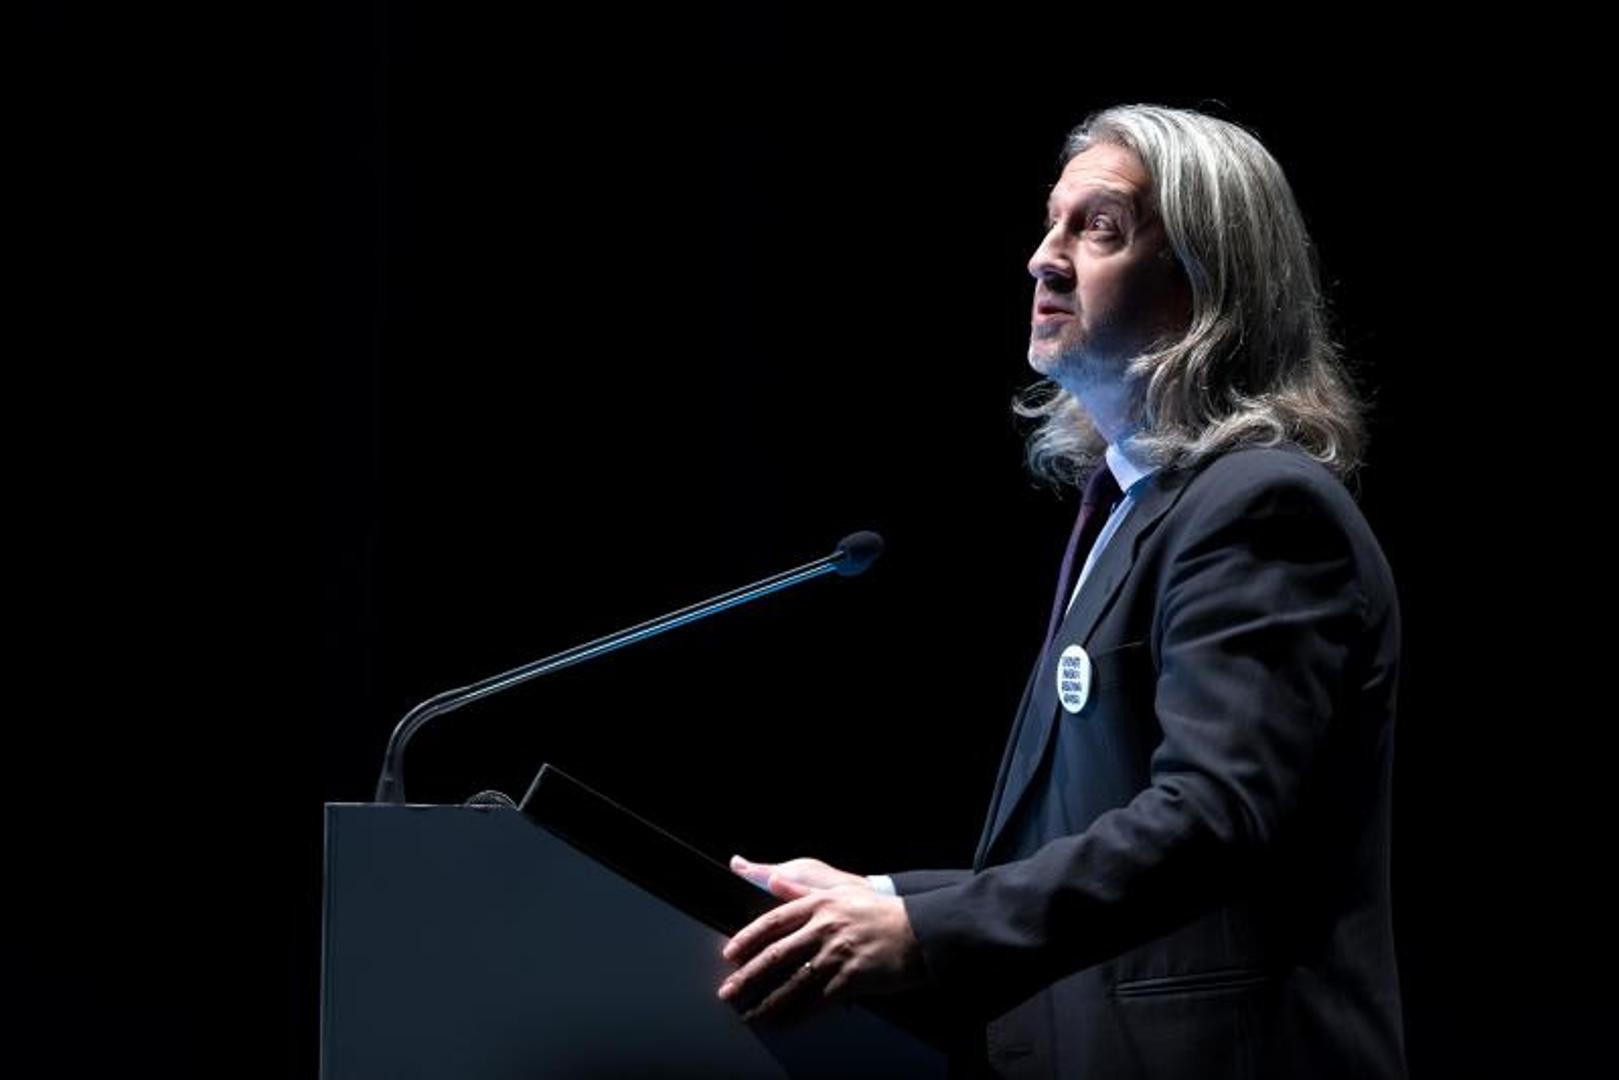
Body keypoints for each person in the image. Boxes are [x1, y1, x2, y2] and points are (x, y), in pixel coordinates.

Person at [716, 104, 1406, 1079]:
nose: (1042, 259)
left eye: (1099, 229)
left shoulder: (1262, 509)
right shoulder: (1137, 505)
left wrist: (924, 931)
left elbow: (1210, 818)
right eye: (1052, 223)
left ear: (1207, 279)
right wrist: (881, 897)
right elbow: (1078, 839)